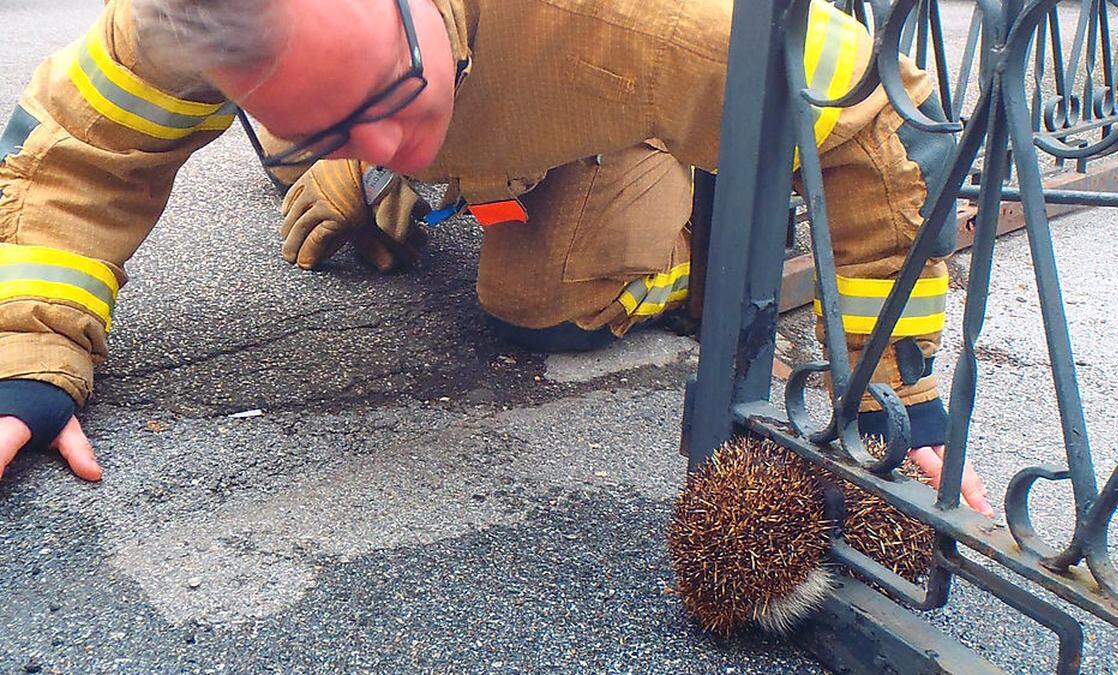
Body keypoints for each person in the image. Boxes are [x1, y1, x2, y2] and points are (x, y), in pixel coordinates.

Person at [0, 0, 993, 516]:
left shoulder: (638, 27)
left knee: (541, 301)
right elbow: (74, 153)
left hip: (617, 106)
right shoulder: (186, 27)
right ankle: (420, 146)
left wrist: (888, 391)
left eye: (379, 105)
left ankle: (691, 238)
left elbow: (881, 120)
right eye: (326, 126)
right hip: (480, 89)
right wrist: (28, 360)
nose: (379, 146)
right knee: (351, 180)